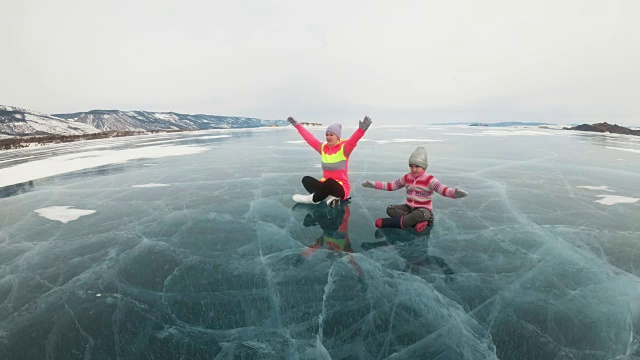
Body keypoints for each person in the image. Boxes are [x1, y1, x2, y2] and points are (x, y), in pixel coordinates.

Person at [361, 146, 468, 232]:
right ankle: (415, 223)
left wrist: (454, 193)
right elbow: (391, 185)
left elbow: (442, 189)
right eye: (411, 166)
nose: (414, 169)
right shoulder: (406, 178)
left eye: (417, 166)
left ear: (424, 167)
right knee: (390, 209)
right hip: (409, 209)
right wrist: (373, 184)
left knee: (418, 214)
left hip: (424, 212)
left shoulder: (430, 180)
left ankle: (390, 223)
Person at [288, 115, 372, 207]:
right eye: (327, 135)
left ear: (337, 137)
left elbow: (353, 141)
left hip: (341, 188)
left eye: (331, 135)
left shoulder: (344, 149)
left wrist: (361, 130)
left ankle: (312, 199)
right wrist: (297, 126)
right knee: (306, 180)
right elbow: (310, 139)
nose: (328, 137)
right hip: (325, 185)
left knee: (330, 182)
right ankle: (329, 198)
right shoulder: (323, 148)